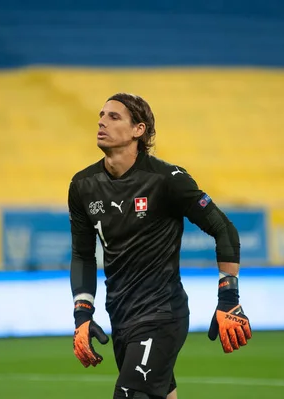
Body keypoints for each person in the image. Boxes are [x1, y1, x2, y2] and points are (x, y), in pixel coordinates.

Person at [68, 93, 252, 399]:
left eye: (114, 116)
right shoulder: (82, 185)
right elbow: (83, 255)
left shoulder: (167, 179)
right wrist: (82, 316)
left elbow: (224, 230)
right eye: (101, 115)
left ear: (138, 130)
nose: (101, 121)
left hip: (162, 314)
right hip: (121, 317)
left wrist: (228, 298)